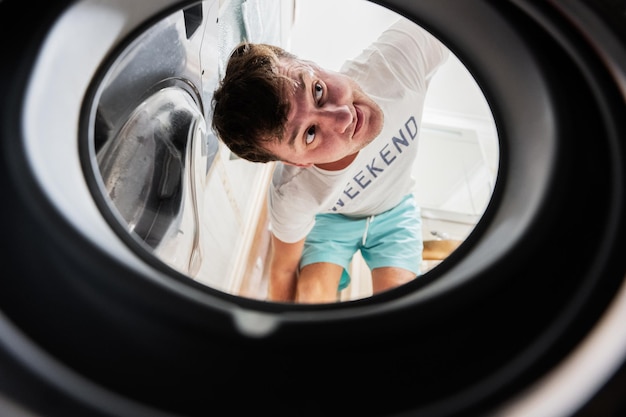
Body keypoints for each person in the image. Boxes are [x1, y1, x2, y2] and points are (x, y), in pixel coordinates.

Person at [211, 17, 449, 303]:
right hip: (334, 222)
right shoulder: (293, 194)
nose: (345, 116)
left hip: (395, 211)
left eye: (318, 90)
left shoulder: (398, 60)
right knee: (311, 294)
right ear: (298, 163)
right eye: (310, 134)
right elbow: (283, 272)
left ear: (312, 62)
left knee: (401, 309)